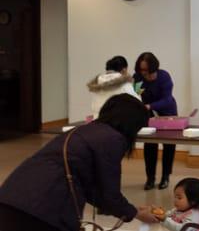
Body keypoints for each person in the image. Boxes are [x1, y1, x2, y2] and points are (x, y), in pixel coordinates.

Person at [0, 94, 158, 231]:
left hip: (12, 197)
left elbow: (93, 190)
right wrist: (137, 214)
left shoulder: (82, 130)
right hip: (42, 209)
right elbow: (110, 194)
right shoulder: (112, 139)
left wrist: (132, 210)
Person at [134, 52, 178, 191]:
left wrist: (150, 106)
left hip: (167, 112)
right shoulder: (138, 77)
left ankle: (165, 177)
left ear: (154, 68)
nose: (144, 73)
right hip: (149, 114)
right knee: (150, 145)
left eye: (146, 70)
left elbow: (167, 99)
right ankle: (150, 178)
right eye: (141, 70)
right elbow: (136, 94)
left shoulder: (164, 76)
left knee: (169, 146)